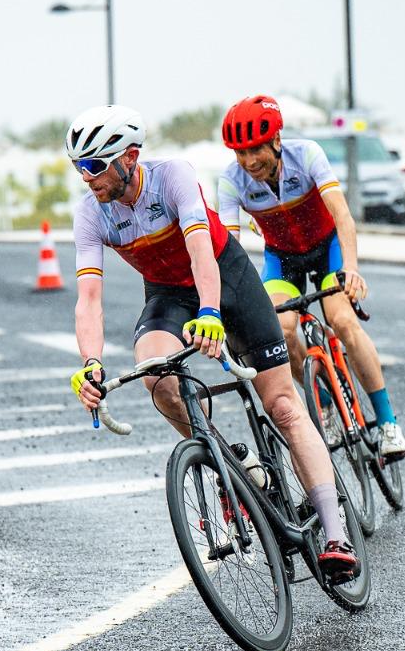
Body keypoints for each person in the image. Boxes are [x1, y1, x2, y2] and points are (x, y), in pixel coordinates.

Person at [66, 105, 360, 578]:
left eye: (95, 165)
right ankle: (234, 470)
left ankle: (335, 531)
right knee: (154, 376)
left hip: (228, 278)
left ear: (130, 157)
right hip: (167, 295)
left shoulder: (172, 177)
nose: (87, 177)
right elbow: (89, 298)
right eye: (79, 166)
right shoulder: (89, 213)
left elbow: (201, 250)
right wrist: (92, 364)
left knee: (282, 404)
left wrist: (210, 312)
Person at [216, 95, 405, 460]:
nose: (248, 161)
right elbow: (231, 247)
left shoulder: (306, 155)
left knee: (342, 320)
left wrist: (350, 268)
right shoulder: (231, 180)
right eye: (239, 152)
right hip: (282, 259)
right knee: (280, 331)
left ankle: (386, 422)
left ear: (276, 140)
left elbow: (342, 215)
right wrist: (231, 300)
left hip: (327, 249)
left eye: (255, 149)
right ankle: (325, 403)